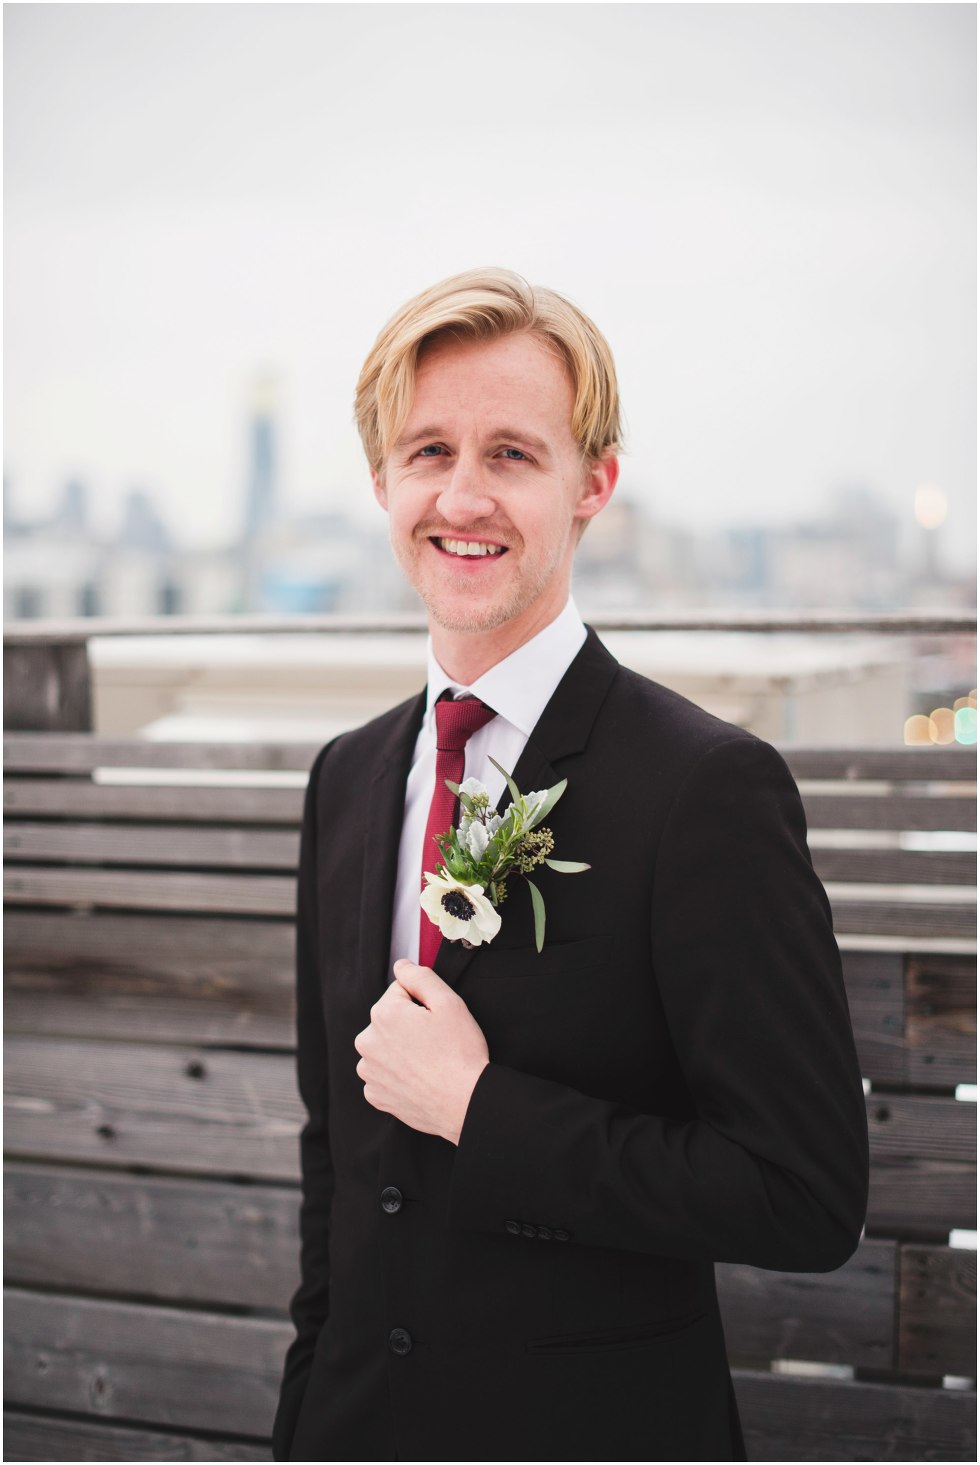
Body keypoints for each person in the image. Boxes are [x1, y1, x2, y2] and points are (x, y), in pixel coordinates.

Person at [272, 268, 869, 1463]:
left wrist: (483, 1111)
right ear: (382, 482)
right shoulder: (346, 779)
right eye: (428, 449)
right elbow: (334, 1168)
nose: (462, 495)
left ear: (592, 482)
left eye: (510, 454)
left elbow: (800, 1194)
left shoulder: (706, 789)